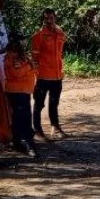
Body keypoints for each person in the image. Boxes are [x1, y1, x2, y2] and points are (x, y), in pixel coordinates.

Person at [31, 8, 67, 139]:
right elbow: (34, 58)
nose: (49, 20)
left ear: (55, 18)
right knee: (39, 104)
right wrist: (37, 74)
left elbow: (59, 54)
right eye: (46, 18)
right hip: (43, 76)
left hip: (57, 76)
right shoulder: (38, 36)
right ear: (43, 20)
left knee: (54, 103)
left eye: (51, 18)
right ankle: (37, 130)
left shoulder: (60, 34)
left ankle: (55, 127)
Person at [2, 36, 39, 156]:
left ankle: (18, 143)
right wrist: (29, 67)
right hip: (17, 92)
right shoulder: (10, 57)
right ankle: (29, 145)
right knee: (24, 118)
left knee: (19, 118)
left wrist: (30, 67)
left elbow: (34, 69)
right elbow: (16, 74)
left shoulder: (22, 57)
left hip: (24, 91)